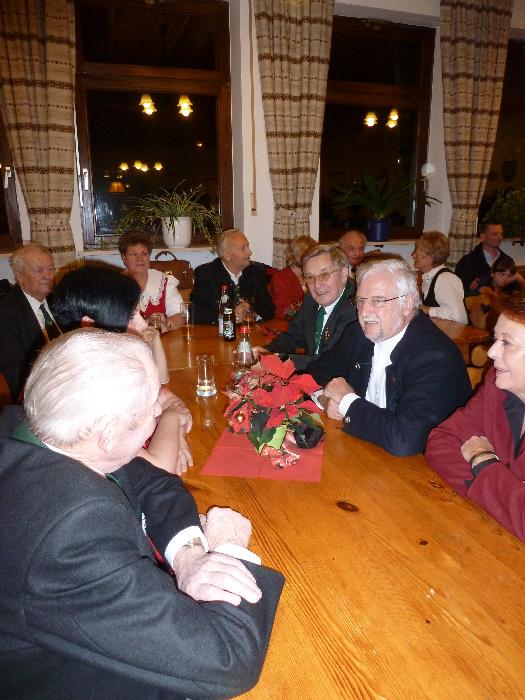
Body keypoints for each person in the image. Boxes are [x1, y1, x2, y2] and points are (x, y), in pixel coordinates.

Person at [0, 329, 284, 698]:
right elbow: (228, 660)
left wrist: (190, 559)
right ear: (107, 434)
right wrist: (228, 550)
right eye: (152, 408)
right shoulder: (68, 536)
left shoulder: (32, 429)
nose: (160, 412)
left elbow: (155, 484)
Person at [307, 258, 471, 456]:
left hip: (426, 466)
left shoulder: (434, 357)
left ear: (407, 303)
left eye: (378, 301)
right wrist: (325, 398)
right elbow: (313, 374)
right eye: (360, 301)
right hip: (367, 451)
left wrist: (347, 402)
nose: (365, 311)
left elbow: (404, 439)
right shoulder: (358, 335)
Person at [50, 265, 192, 475]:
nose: (143, 325)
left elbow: (170, 400)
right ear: (91, 327)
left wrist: (174, 436)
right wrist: (171, 420)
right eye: (131, 316)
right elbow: (157, 469)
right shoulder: (79, 390)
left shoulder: (109, 365)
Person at [425, 296, 525, 541]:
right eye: (495, 339)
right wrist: (503, 492)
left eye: (506, 342)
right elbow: (440, 441)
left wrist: (482, 460)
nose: (491, 352)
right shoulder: (496, 386)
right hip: (487, 537)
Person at [255, 243, 356, 370]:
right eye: (310, 277)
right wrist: (265, 352)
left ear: (343, 274)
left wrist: (273, 359)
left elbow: (329, 362)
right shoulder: (310, 300)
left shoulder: (355, 309)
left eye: (324, 275)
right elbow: (292, 336)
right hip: (313, 372)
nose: (317, 285)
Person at [0, 243, 59, 400]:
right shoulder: (5, 313)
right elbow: (14, 372)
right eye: (39, 270)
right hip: (39, 394)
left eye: (51, 269)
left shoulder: (58, 300)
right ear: (20, 276)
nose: (48, 276)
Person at [190, 228, 275, 324]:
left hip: (250, 331)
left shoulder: (256, 271)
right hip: (219, 332)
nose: (249, 252)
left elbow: (268, 308)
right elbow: (196, 312)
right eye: (243, 248)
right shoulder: (206, 274)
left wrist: (251, 313)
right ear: (227, 255)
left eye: (248, 246)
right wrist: (230, 316)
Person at [119, 232, 183, 331]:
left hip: (161, 339)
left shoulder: (164, 281)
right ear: (124, 258)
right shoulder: (116, 284)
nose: (139, 259)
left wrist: (166, 325)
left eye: (144, 253)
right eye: (133, 254)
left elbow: (179, 314)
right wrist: (146, 324)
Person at [412, 231, 468, 324]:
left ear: (430, 256)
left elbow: (458, 316)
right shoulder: (429, 277)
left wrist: (426, 310)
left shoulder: (445, 279)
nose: (413, 255)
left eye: (416, 251)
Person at [455, 221, 514, 296]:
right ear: (483, 237)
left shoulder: (508, 261)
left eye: (501, 234)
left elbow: (513, 291)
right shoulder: (467, 261)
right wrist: (470, 288)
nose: (500, 237)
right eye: (495, 234)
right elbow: (458, 291)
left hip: (502, 302)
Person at [269, 235, 315, 319]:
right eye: (312, 256)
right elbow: (280, 312)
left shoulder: (314, 275)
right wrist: (300, 311)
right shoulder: (281, 278)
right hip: (291, 323)